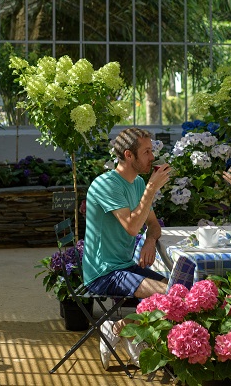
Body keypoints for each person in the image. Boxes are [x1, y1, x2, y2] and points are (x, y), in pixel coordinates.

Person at [83, 127, 172, 369]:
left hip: (125, 266)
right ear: (128, 155)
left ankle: (120, 327)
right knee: (168, 294)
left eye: (151, 151)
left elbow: (153, 226)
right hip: (104, 272)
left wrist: (150, 241)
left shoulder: (137, 183)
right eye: (146, 152)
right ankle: (130, 331)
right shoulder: (106, 185)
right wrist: (152, 190)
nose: (152, 157)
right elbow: (132, 227)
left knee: (177, 290)